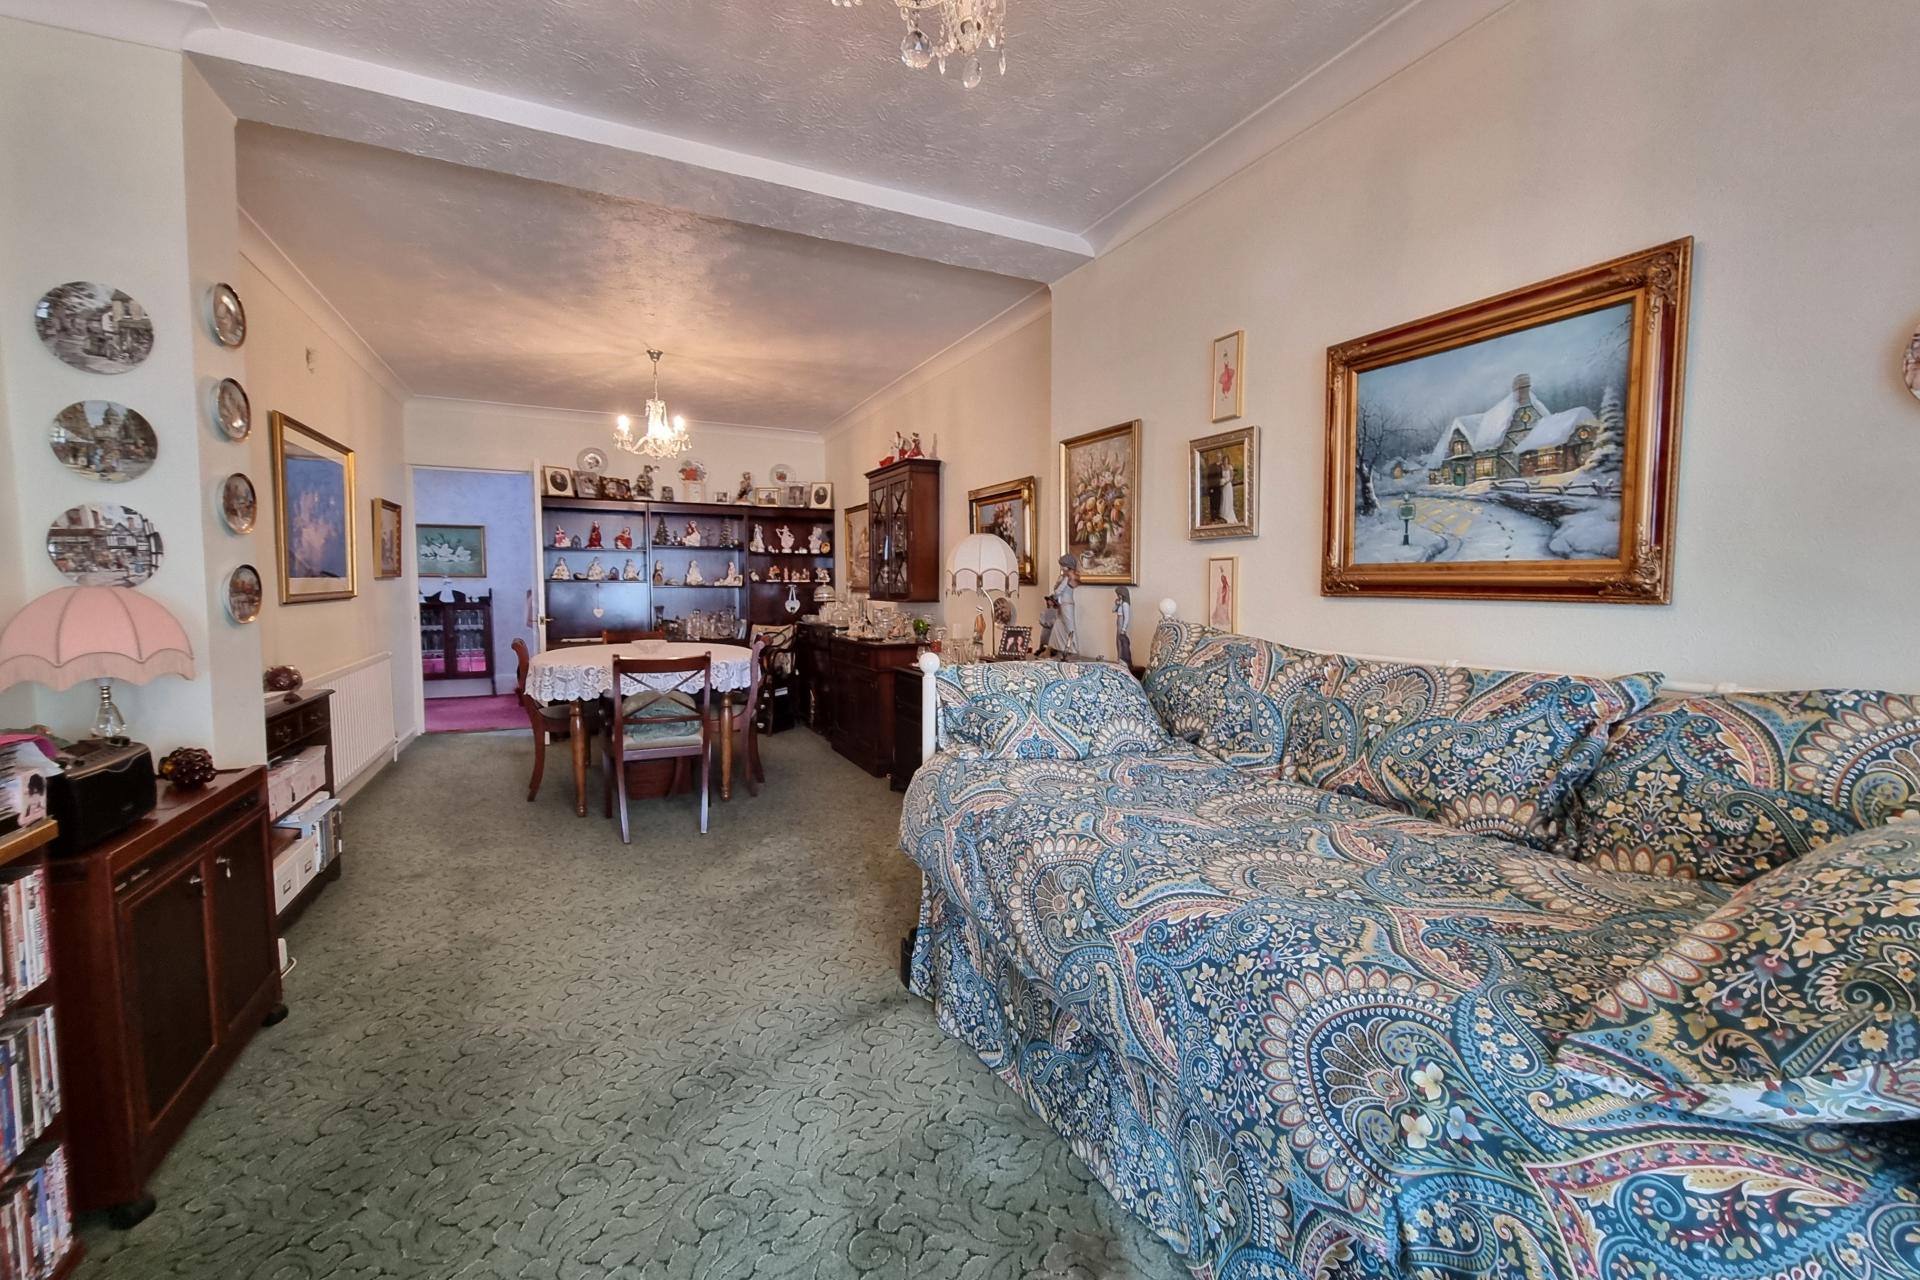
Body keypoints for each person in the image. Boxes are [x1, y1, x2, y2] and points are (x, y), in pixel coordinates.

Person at [1113, 587, 1132, 668]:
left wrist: (1123, 629)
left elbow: (1126, 618)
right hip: (1118, 621)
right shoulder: (1121, 603)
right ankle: (1119, 658)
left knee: (1120, 641)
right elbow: (1113, 610)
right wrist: (1117, 604)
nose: (1118, 596)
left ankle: (1122, 659)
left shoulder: (1125, 604)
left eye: (1119, 594)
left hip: (1121, 622)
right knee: (1117, 641)